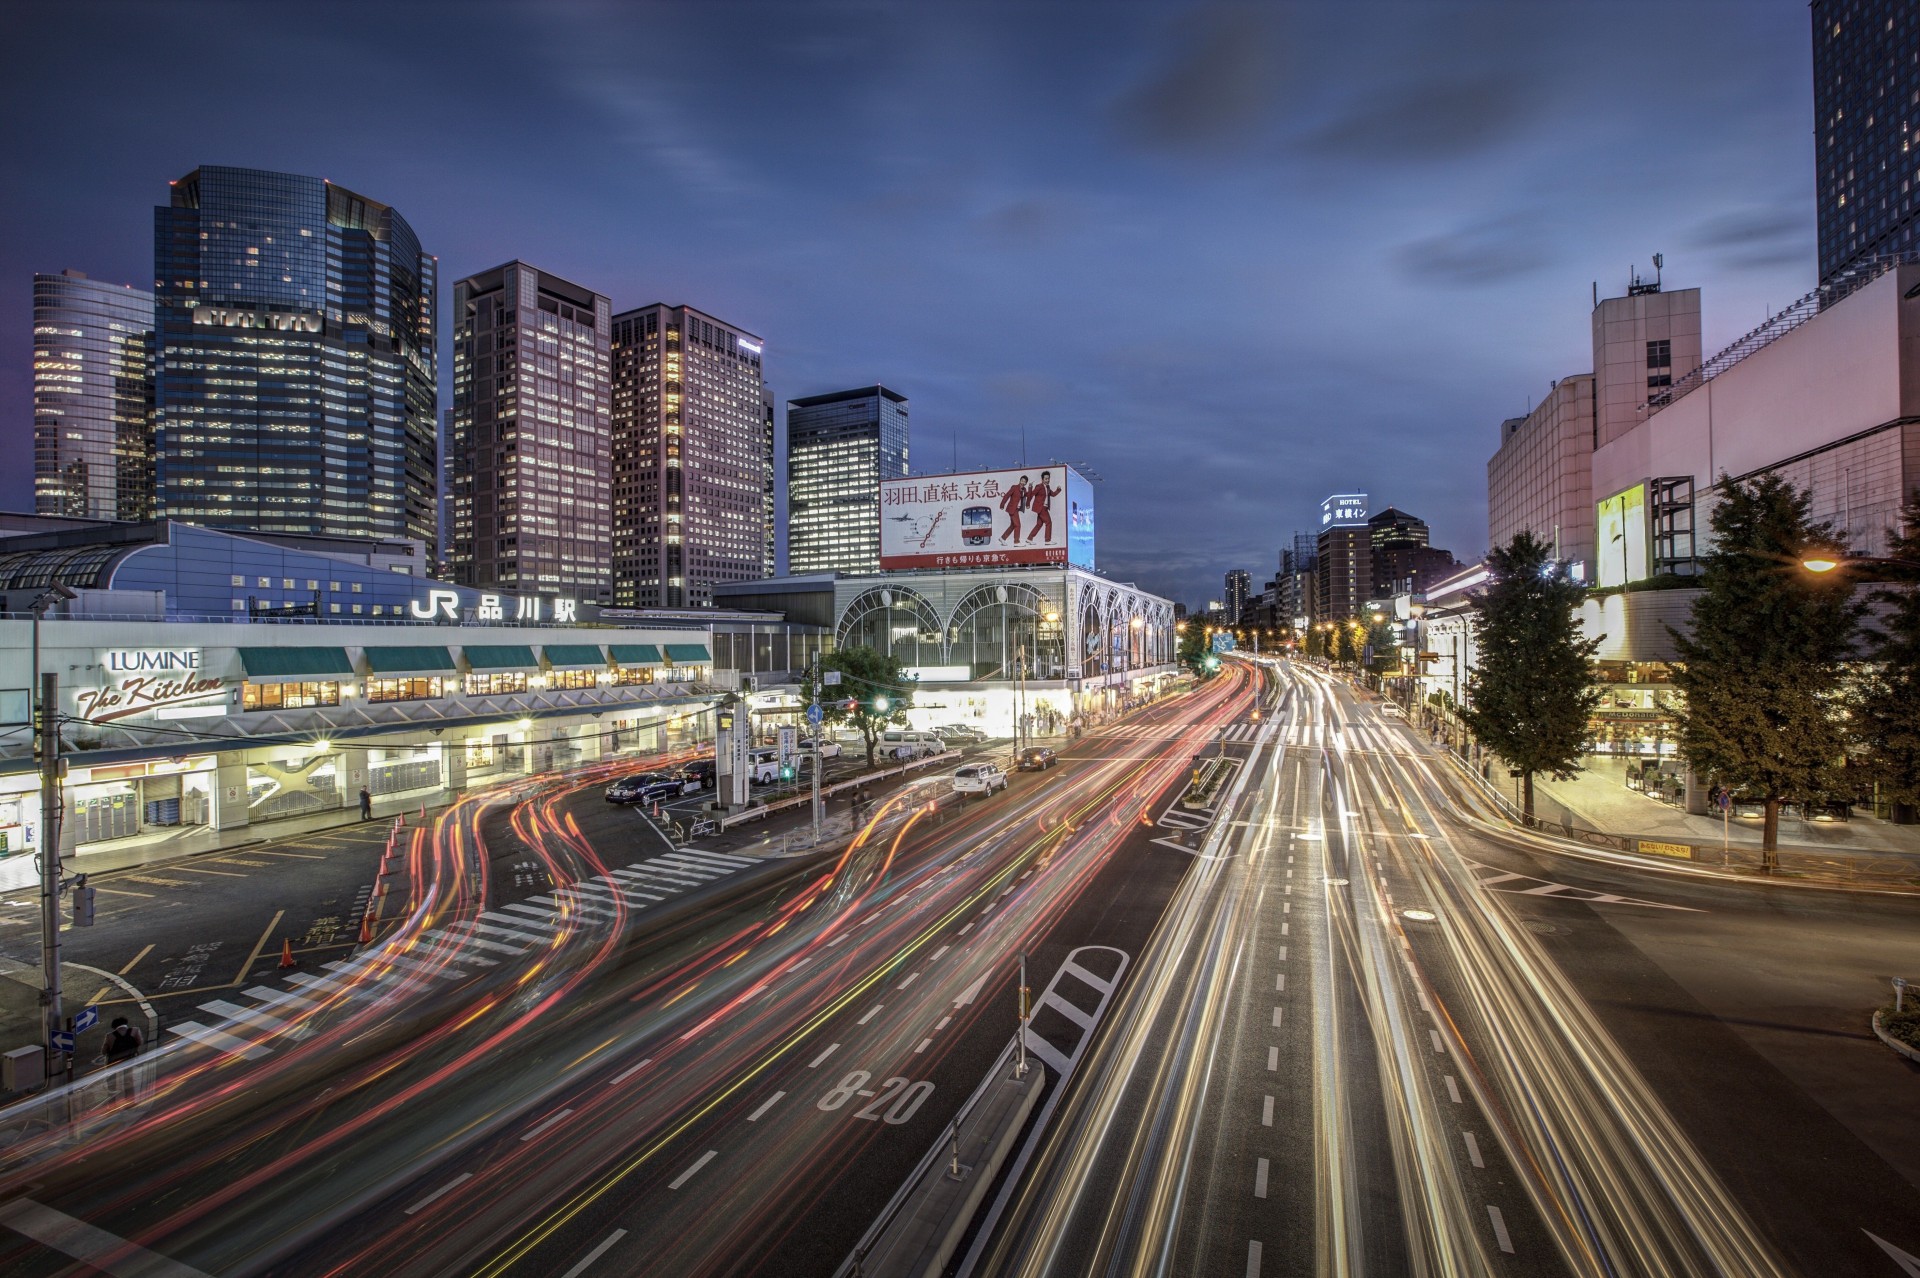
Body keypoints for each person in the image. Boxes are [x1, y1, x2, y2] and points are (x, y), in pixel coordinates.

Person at [1027, 470, 1061, 543]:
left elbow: (1053, 494)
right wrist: (1030, 487)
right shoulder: (1039, 487)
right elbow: (1031, 494)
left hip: (1045, 508)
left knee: (1039, 524)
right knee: (1048, 522)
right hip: (1041, 508)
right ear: (1042, 479)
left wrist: (1058, 489)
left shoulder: (1048, 487)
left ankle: (1029, 538)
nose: (1047, 480)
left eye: (1048, 478)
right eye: (1046, 479)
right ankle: (1047, 540)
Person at [998, 475, 1029, 543]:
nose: (1023, 483)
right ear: (1020, 481)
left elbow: (1028, 495)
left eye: (1024, 482)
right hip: (1012, 509)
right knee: (1018, 525)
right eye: (1022, 481)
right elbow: (1007, 495)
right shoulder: (1014, 487)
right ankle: (1016, 542)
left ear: (1026, 483)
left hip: (1016, 509)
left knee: (1013, 525)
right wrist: (1002, 504)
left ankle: (1002, 538)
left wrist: (1030, 487)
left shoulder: (1024, 490)